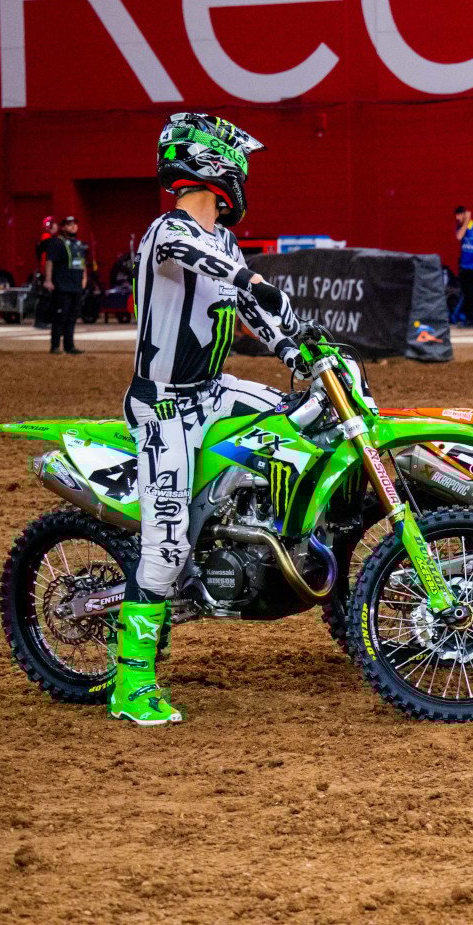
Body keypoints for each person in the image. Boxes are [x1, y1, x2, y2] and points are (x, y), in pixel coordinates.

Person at [119, 113, 305, 726]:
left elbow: (256, 307)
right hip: (164, 404)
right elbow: (222, 268)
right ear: (215, 164)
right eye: (239, 160)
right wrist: (254, 277)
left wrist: (305, 348)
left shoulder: (222, 239)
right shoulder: (166, 232)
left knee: (292, 419)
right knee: (165, 549)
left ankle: (243, 530)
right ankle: (132, 682)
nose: (246, 172)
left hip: (212, 391)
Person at [40, 214, 91, 353]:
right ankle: (55, 345)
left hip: (76, 285)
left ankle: (70, 346)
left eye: (75, 224)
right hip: (62, 285)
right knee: (60, 316)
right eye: (69, 224)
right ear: (63, 227)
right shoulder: (57, 242)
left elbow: (82, 263)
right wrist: (48, 280)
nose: (73, 226)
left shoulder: (79, 244)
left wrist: (84, 278)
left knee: (72, 316)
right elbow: (50, 261)